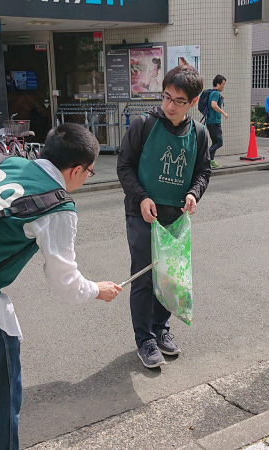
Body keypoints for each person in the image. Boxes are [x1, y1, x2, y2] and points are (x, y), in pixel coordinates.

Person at [0, 123, 123, 449]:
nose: (87, 177)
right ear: (76, 170)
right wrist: (97, 290)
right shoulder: (58, 205)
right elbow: (65, 282)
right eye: (89, 171)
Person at [117, 65, 211, 369]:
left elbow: (203, 171)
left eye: (178, 101)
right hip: (143, 214)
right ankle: (144, 338)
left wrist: (194, 193)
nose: (169, 105)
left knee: (169, 277)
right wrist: (142, 197)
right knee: (144, 278)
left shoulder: (198, 133)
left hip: (175, 217)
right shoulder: (144, 124)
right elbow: (124, 167)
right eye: (166, 97)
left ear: (193, 102)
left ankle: (160, 329)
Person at [205, 75, 228, 169]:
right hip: (214, 122)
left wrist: (220, 99)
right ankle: (205, 158)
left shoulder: (213, 93)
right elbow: (213, 105)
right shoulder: (215, 93)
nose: (223, 86)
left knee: (215, 142)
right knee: (219, 142)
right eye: (223, 84)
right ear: (218, 84)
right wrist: (224, 113)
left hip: (211, 121)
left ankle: (211, 161)